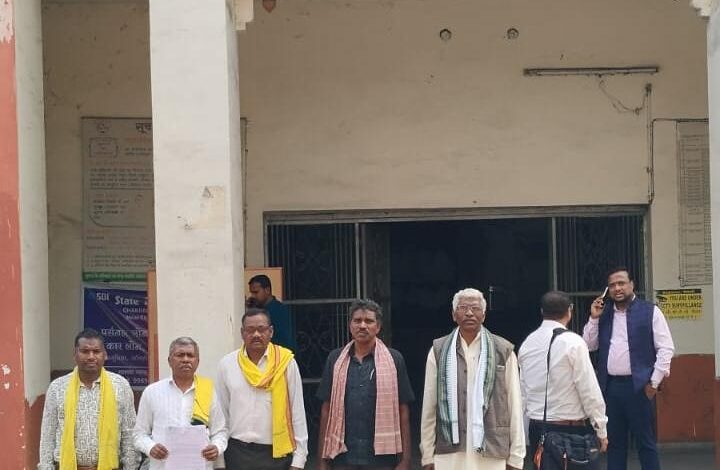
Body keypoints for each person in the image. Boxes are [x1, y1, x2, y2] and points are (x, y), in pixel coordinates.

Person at [420, 288, 525, 470]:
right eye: (463, 308)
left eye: (475, 308)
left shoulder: (503, 350)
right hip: (450, 454)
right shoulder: (439, 350)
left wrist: (516, 456)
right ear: (454, 315)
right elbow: (429, 405)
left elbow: (514, 404)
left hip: (491, 452)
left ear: (483, 315)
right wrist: (427, 454)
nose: (469, 313)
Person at [583, 267, 675, 470]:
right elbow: (588, 345)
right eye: (612, 285)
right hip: (611, 388)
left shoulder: (650, 311)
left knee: (646, 443)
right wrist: (594, 318)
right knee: (615, 445)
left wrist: (653, 383)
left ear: (632, 285)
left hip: (640, 387)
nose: (617, 288)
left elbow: (666, 348)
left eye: (621, 283)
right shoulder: (604, 314)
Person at [317, 299, 415, 470]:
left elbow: (403, 411)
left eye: (369, 321)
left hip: (382, 458)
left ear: (378, 327)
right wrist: (321, 459)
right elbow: (326, 409)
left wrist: (405, 460)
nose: (362, 326)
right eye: (357, 321)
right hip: (343, 456)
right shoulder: (335, 359)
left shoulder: (394, 359)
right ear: (350, 326)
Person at [518, 291, 608, 466]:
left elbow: (523, 392)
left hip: (537, 429)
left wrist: (522, 435)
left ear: (542, 312)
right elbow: (588, 390)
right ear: (570, 311)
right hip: (570, 432)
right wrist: (601, 429)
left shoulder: (527, 344)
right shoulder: (573, 342)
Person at [216, 308, 308, 470]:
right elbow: (221, 416)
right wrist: (219, 462)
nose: (256, 334)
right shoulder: (227, 364)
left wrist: (298, 460)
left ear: (271, 332)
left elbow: (297, 412)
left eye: (261, 329)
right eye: (250, 330)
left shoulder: (286, 363)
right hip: (237, 453)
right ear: (242, 333)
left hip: (277, 454)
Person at [38, 328, 138, 470]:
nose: (91, 356)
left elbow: (129, 433)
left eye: (96, 351)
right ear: (75, 354)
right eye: (85, 351)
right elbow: (48, 434)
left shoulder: (120, 386)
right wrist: (46, 467)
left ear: (105, 355)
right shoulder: (57, 387)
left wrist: (131, 467)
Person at [134, 336, 228, 469]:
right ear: (169, 361)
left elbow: (220, 431)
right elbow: (139, 434)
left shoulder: (208, 392)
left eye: (190, 355)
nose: (185, 359)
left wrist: (216, 447)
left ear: (197, 361)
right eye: (180, 355)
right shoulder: (152, 392)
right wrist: (151, 447)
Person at [247, 274, 295, 350]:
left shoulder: (278, 310)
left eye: (256, 292)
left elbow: (283, 339)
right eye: (252, 293)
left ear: (267, 290)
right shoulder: (259, 309)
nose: (253, 296)